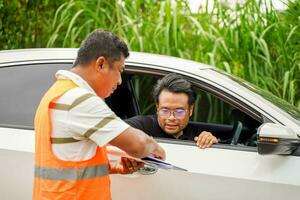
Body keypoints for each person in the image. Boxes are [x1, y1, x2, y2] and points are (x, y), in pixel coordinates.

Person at [33, 30, 165, 200]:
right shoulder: (79, 100)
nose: (119, 81)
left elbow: (68, 160)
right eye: (119, 71)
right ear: (101, 64)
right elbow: (138, 145)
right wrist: (155, 147)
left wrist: (114, 166)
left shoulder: (55, 94)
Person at [125, 73, 218, 149]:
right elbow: (112, 127)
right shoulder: (144, 125)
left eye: (179, 112)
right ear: (157, 107)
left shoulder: (195, 133)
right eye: (165, 110)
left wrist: (210, 140)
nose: (171, 117)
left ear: (190, 110)